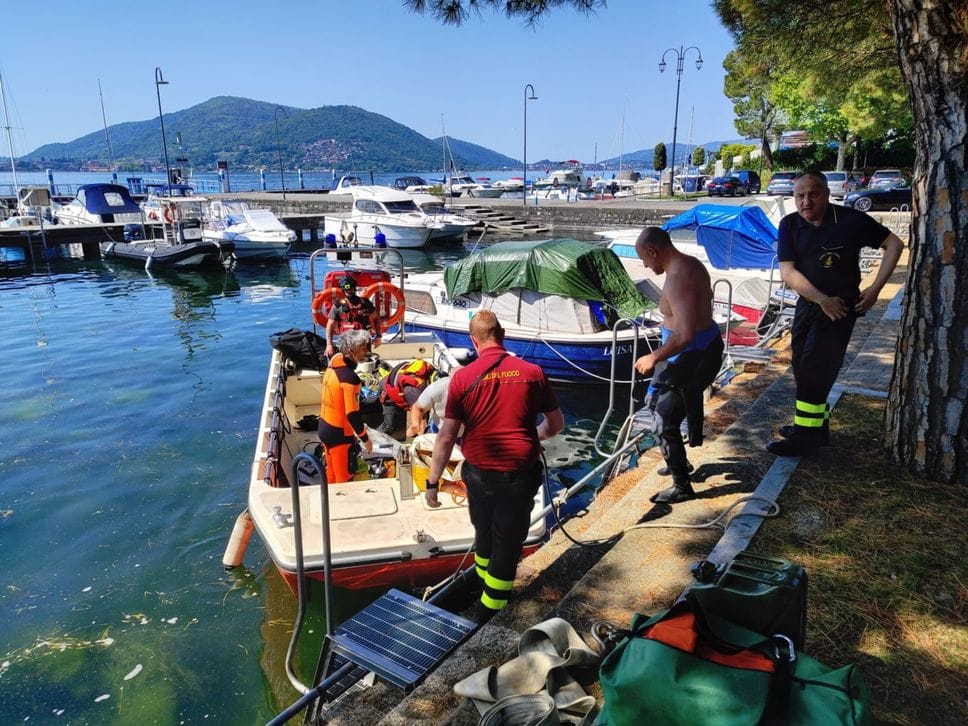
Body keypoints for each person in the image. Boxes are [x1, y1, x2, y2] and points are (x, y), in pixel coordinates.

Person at [425, 311, 564, 621]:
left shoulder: (461, 378)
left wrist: (433, 483)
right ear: (502, 335)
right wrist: (533, 436)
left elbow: (446, 437)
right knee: (508, 538)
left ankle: (488, 597)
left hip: (478, 473)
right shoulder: (532, 372)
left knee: (484, 531)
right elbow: (555, 424)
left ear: (474, 341)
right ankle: (492, 606)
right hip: (518, 472)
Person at [767, 170, 903, 456]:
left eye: (813, 193)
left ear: (827, 194)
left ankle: (806, 439)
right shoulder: (790, 225)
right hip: (809, 304)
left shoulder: (850, 221)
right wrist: (820, 299)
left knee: (817, 370)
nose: (806, 201)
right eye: (799, 195)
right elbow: (788, 271)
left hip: (839, 309)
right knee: (802, 368)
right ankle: (815, 427)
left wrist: (875, 288)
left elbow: (894, 244)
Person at [633, 227, 725, 504]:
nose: (646, 266)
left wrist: (653, 357)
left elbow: (684, 335)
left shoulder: (678, 279)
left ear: (653, 251)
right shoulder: (690, 264)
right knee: (654, 405)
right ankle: (680, 462)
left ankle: (682, 487)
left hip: (693, 355)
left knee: (663, 420)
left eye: (644, 259)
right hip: (691, 353)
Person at [318, 329, 373, 483]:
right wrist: (365, 439)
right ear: (351, 351)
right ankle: (342, 506)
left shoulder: (333, 365)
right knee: (344, 479)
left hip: (324, 428)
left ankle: (328, 502)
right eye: (363, 349)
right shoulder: (350, 379)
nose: (367, 352)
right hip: (339, 435)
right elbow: (352, 414)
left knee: (331, 473)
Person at [324, 275, 382, 358]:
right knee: (347, 365)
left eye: (351, 289)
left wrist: (378, 337)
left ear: (354, 288)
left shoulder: (366, 303)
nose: (349, 291)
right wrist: (329, 344)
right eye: (346, 289)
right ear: (343, 290)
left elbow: (377, 319)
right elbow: (330, 325)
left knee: (365, 365)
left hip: (364, 342)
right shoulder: (338, 306)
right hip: (346, 342)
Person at [379, 358, 437, 438]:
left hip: (403, 389)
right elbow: (420, 423)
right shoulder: (414, 390)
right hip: (388, 392)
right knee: (391, 427)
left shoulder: (432, 373)